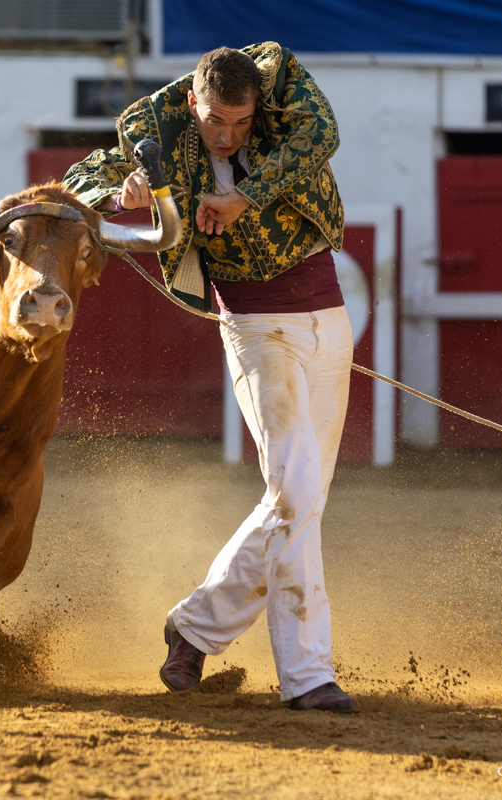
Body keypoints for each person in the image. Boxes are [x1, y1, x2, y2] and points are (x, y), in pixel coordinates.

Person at [62, 43, 359, 713]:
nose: (226, 135)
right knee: (297, 490)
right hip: (254, 327)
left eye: (240, 123)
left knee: (300, 500)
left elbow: (325, 133)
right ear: (192, 102)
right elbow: (78, 180)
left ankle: (194, 628)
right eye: (214, 120)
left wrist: (244, 197)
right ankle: (309, 675)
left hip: (327, 316)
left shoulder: (282, 97)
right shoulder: (159, 134)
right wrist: (123, 189)